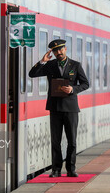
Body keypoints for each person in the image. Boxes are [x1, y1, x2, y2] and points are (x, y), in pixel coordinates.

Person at [29, 39, 89, 177]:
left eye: (61, 49)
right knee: (55, 140)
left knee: (72, 140)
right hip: (55, 108)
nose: (58, 52)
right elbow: (32, 74)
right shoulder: (50, 65)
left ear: (65, 49)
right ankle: (56, 170)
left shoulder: (75, 65)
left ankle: (71, 169)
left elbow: (85, 83)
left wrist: (73, 89)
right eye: (55, 51)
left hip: (71, 108)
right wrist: (42, 61)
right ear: (53, 52)